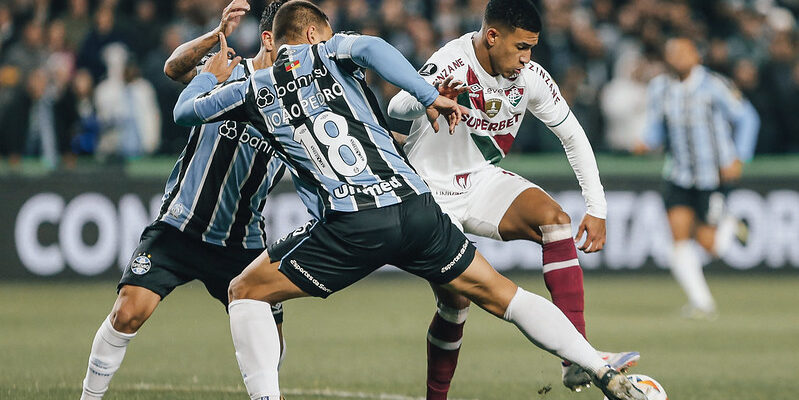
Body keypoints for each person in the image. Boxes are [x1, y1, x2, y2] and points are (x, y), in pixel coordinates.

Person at [173, 2, 647, 400]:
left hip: (354, 221)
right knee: (502, 294)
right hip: (416, 201)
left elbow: (184, 111)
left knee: (244, 290)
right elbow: (377, 52)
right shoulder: (336, 51)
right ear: (316, 32)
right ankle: (598, 368)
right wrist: (428, 95)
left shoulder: (252, 87)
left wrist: (205, 78)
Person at [387, 0, 638, 396]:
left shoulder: (530, 77)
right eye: (521, 47)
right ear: (492, 36)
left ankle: (576, 360)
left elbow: (572, 135)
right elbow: (395, 106)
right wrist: (428, 94)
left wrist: (597, 207)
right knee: (456, 303)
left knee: (555, 219)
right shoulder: (453, 60)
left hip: (481, 179)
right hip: (430, 190)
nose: (526, 58)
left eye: (531, 48)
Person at [79, 2, 289, 399]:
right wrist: (215, 34)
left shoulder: (298, 102)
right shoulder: (227, 68)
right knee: (128, 311)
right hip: (181, 225)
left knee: (272, 347)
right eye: (294, 44)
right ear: (268, 39)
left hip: (240, 242)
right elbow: (173, 69)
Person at [636, 37, 759, 319]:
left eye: (683, 51)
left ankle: (730, 224)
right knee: (677, 238)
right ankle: (701, 302)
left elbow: (748, 118)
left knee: (710, 245)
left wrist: (740, 156)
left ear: (696, 56)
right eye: (672, 52)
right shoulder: (660, 89)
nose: (677, 57)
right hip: (678, 173)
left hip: (713, 175)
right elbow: (657, 128)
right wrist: (645, 142)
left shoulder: (715, 85)